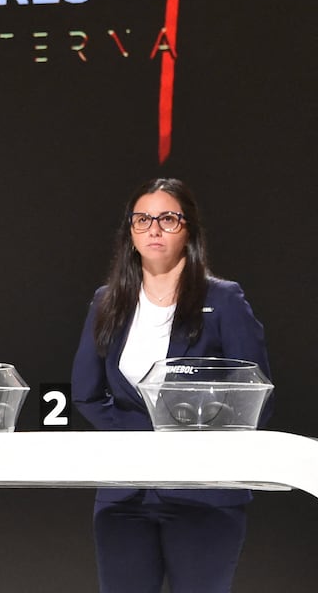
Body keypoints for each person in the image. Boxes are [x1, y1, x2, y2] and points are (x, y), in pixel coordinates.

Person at [70, 177, 271, 593]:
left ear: (189, 230)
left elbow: (256, 395)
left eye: (168, 219)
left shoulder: (225, 300)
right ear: (130, 232)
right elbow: (86, 393)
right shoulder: (107, 300)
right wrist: (141, 441)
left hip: (205, 494)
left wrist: (193, 443)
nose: (154, 229)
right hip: (125, 495)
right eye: (142, 219)